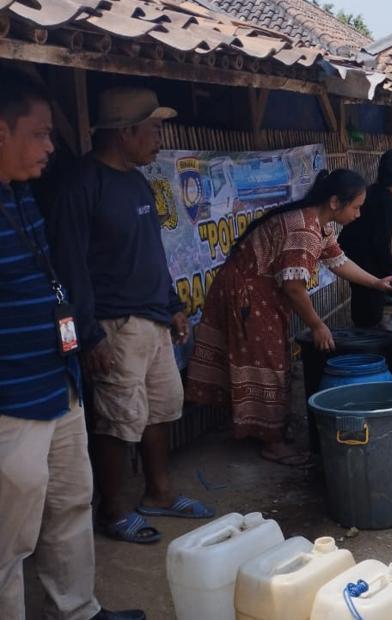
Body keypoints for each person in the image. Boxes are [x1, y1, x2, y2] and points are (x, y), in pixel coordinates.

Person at [0, 72, 145, 620]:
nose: (50, 146)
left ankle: (78, 611)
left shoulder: (21, 194)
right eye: (39, 134)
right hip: (12, 405)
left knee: (69, 505)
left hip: (59, 387)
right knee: (6, 543)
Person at [48, 87, 213, 545]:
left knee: (161, 408)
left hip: (153, 320)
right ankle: (114, 511)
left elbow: (152, 253)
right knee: (118, 421)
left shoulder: (137, 182)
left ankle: (159, 493)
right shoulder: (82, 185)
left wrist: (173, 305)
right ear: (124, 133)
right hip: (112, 325)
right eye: (153, 128)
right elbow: (69, 268)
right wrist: (87, 336)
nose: (159, 138)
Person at [187, 169, 392, 466]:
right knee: (268, 363)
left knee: (264, 359)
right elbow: (294, 287)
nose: (359, 214)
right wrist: (317, 325)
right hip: (248, 293)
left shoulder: (318, 224)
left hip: (257, 292)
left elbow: (339, 262)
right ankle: (272, 442)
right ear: (336, 202)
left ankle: (256, 428)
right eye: (356, 207)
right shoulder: (304, 229)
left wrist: (377, 283)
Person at [338, 150, 392, 328]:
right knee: (369, 311)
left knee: (363, 305)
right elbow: (380, 242)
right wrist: (391, 271)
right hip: (365, 261)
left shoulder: (374, 191)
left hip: (355, 255)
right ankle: (367, 346)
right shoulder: (384, 198)